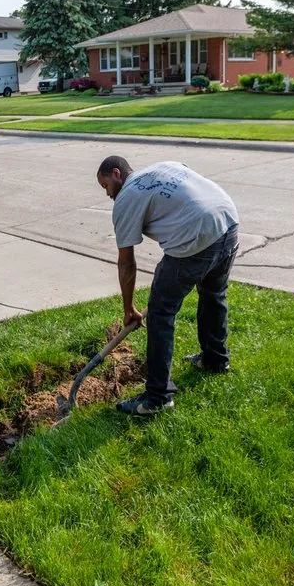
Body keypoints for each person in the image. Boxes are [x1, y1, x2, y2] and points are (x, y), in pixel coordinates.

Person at [97, 156, 239, 417]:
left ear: (116, 174)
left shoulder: (125, 198)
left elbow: (126, 263)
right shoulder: (165, 166)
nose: (107, 193)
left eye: (105, 185)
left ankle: (158, 397)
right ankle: (215, 359)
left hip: (196, 235)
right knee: (213, 293)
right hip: (228, 222)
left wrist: (129, 309)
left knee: (160, 313)